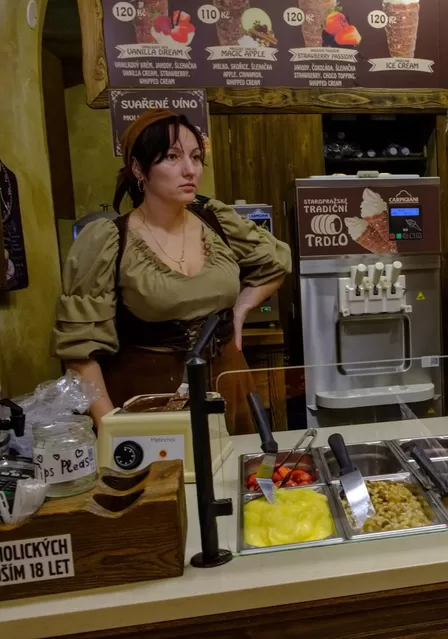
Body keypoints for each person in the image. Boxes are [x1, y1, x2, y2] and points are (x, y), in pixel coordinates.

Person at [52, 109, 291, 434]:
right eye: (172, 157)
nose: (190, 169)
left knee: (233, 479)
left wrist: (242, 306)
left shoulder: (217, 220)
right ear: (139, 167)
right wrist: (111, 428)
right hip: (148, 396)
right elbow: (80, 354)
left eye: (195, 157)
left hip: (226, 383)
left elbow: (276, 261)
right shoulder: (109, 240)